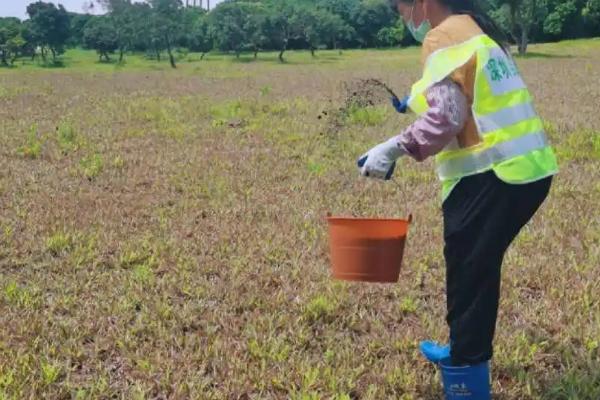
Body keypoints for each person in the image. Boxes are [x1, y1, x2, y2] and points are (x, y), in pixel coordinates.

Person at [357, 0, 558, 397]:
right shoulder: (476, 31)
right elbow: (465, 104)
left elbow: (447, 118)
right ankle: (464, 345)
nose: (401, 15)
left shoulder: (442, 36)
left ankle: (466, 379)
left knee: (469, 272)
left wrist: (391, 148)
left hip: (492, 174)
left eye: (400, 6)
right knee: (475, 268)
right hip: (529, 169)